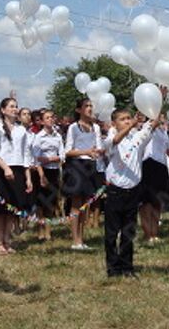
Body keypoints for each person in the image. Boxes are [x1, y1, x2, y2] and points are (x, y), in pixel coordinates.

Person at [102, 106, 161, 278]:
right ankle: (113, 268)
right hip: (115, 190)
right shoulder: (110, 139)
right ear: (114, 123)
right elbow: (115, 141)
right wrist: (133, 124)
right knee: (112, 233)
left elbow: (153, 124)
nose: (128, 121)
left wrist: (159, 100)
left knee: (129, 231)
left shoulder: (137, 138)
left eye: (129, 118)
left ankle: (127, 267)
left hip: (133, 189)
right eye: (123, 119)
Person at [0, 97, 32, 255]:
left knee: (12, 208)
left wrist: (27, 177)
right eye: (11, 106)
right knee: (1, 209)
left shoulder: (21, 130)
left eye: (16, 106)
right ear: (3, 110)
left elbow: (26, 154)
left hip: (18, 170)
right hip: (2, 171)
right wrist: (6, 168)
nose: (15, 109)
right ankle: (0, 242)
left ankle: (8, 240)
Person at [63, 98, 103, 250]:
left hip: (91, 165)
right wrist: (86, 151)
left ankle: (81, 237)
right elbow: (68, 151)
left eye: (91, 106)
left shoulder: (96, 128)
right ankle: (75, 239)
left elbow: (98, 147)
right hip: (76, 166)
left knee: (86, 204)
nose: (90, 108)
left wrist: (100, 152)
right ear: (79, 110)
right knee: (76, 204)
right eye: (86, 106)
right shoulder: (74, 127)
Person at [139, 113, 169, 244]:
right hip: (148, 165)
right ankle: (147, 233)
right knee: (146, 201)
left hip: (161, 167)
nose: (162, 117)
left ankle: (155, 232)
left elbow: (168, 150)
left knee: (157, 201)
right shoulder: (147, 126)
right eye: (160, 115)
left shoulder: (163, 132)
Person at [32, 109, 64, 243]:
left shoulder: (58, 136)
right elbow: (36, 157)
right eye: (47, 117)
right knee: (40, 203)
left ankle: (48, 231)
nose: (50, 119)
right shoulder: (39, 137)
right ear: (43, 121)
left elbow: (62, 155)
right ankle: (40, 230)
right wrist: (41, 174)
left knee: (51, 202)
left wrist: (50, 159)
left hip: (54, 170)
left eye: (52, 117)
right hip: (41, 171)